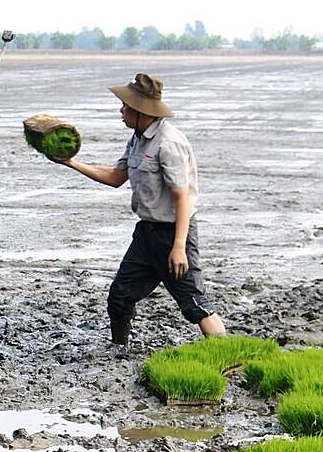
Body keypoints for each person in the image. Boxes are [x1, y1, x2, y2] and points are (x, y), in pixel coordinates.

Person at [49, 73, 227, 345]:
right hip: (146, 234)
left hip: (173, 234)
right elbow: (116, 177)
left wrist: (178, 247)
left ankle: (228, 353)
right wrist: (70, 163)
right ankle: (118, 350)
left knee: (194, 303)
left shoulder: (169, 143)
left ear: (140, 110)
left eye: (124, 106)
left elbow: (182, 199)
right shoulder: (138, 139)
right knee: (120, 296)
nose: (121, 111)